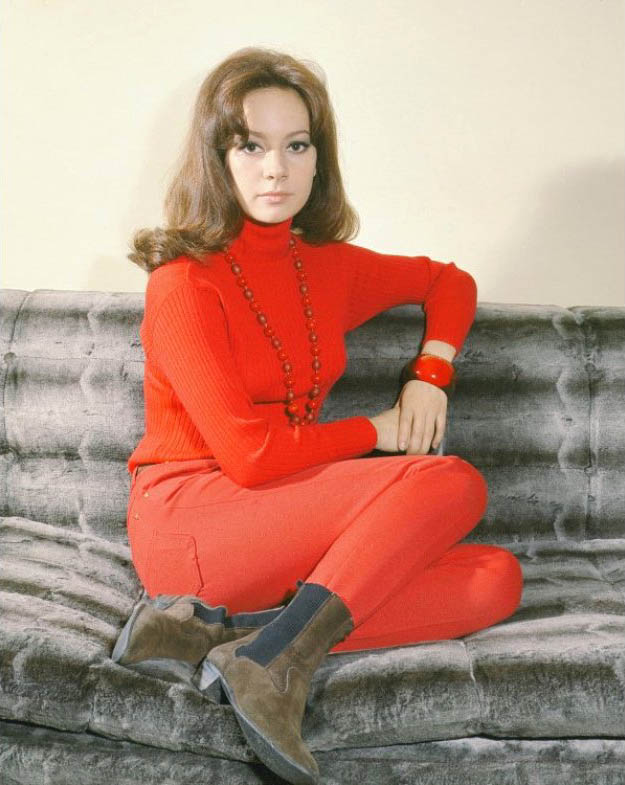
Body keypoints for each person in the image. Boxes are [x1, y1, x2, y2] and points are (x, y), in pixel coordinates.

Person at [113, 46, 523, 785]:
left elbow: (448, 281)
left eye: (296, 145)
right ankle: (276, 665)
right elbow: (249, 456)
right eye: (251, 146)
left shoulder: (326, 266)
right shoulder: (182, 284)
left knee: (494, 578)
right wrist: (378, 430)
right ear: (216, 157)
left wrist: (430, 375)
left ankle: (224, 638)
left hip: (280, 516)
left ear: (317, 158)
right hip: (191, 526)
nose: (276, 169)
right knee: (449, 481)